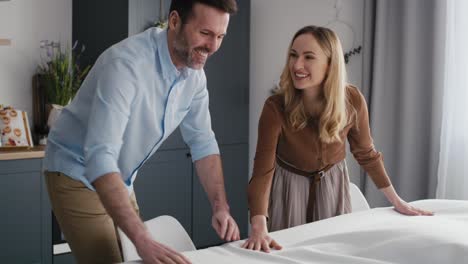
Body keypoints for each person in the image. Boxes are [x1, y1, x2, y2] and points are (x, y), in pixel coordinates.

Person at [43, 0, 240, 263]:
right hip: (77, 170)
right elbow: (99, 157)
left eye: (220, 36)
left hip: (119, 177)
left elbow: (203, 142)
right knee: (115, 258)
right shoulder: (126, 65)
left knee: (136, 256)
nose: (213, 46)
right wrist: (142, 239)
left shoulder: (194, 77)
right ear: (174, 21)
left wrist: (220, 207)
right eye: (205, 33)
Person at [242, 25, 433, 253]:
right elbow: (263, 170)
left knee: (333, 253)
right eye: (293, 55)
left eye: (308, 57)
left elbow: (366, 154)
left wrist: (397, 201)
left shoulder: (352, 99)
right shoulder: (275, 107)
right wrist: (258, 224)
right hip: (288, 187)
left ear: (330, 64)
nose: (297, 65)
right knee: (288, 253)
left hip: (333, 185)